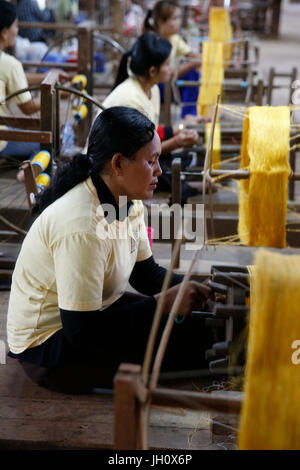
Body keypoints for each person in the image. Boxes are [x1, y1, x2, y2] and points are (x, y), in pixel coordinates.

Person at [7, 106, 213, 394]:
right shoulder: (82, 225)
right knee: (193, 350)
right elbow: (83, 332)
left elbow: (145, 273)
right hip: (50, 348)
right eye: (151, 161)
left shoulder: (127, 199)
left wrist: (203, 288)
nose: (159, 170)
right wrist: (163, 304)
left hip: (93, 313)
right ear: (118, 164)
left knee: (203, 329)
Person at [99, 33, 205, 202]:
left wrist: (183, 126)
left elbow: (151, 133)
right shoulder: (132, 99)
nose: (172, 69)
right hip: (114, 167)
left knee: (180, 160)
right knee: (168, 173)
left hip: (136, 154)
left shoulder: (151, 89)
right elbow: (141, 154)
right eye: (168, 64)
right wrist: (178, 141)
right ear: (152, 70)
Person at [0, 1, 68, 167]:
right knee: (53, 141)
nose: (18, 31)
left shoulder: (8, 65)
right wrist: (57, 95)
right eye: (16, 26)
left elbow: (13, 77)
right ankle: (28, 172)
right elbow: (28, 107)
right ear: (4, 32)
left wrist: (45, 77)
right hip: (1, 141)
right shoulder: (9, 63)